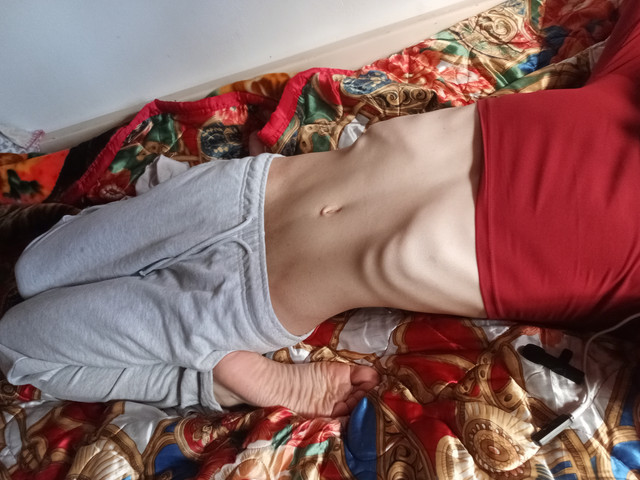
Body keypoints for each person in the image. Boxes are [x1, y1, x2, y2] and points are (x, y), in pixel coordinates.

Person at [1, 0, 640, 418]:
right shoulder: (626, 86)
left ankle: (216, 379)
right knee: (33, 269)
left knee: (17, 343)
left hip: (242, 298)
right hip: (239, 190)